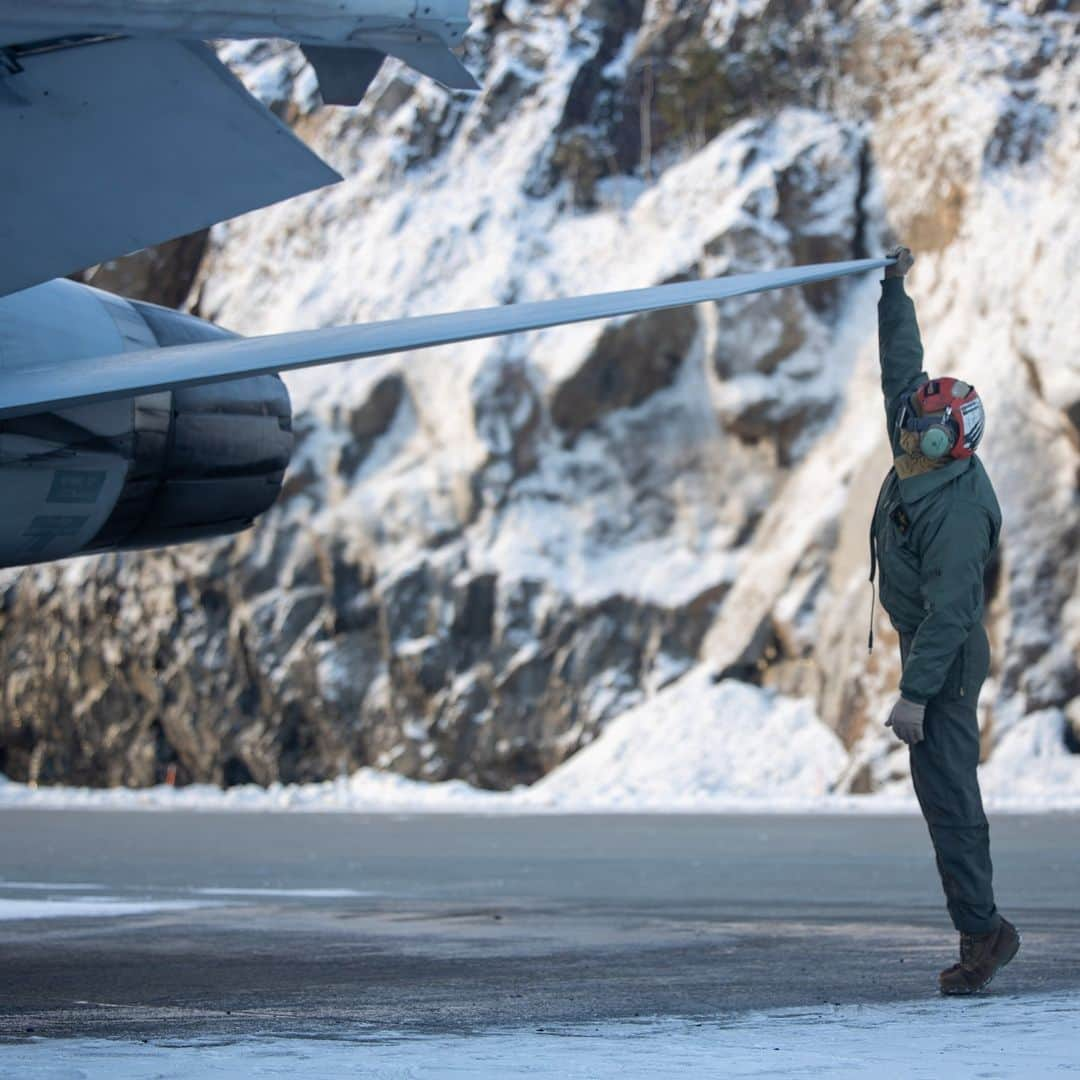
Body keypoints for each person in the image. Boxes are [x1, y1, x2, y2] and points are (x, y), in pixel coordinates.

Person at [869, 245, 1019, 995]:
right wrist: (893, 289)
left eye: (919, 431)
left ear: (945, 441)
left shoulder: (958, 509)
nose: (904, 435)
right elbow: (903, 366)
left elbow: (955, 613)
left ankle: (985, 934)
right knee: (941, 797)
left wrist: (918, 695)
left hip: (946, 663)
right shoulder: (919, 445)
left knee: (952, 800)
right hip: (926, 644)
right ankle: (981, 924)